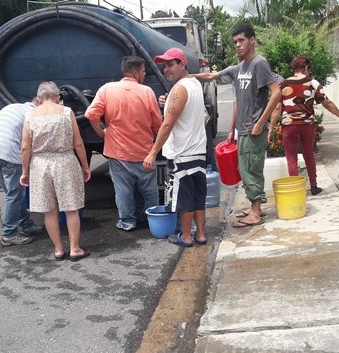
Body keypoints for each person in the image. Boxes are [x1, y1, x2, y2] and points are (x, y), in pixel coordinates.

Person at [195, 23, 282, 228]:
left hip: (254, 129)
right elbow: (213, 78)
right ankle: (253, 207)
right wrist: (187, 77)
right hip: (242, 130)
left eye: (241, 40)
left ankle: (256, 212)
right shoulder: (238, 68)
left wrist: (262, 122)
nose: (237, 45)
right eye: (235, 42)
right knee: (244, 169)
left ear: (252, 40)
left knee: (252, 170)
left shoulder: (259, 63)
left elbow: (276, 91)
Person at [85, 56, 162, 231]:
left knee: (123, 191)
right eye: (143, 72)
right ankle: (151, 219)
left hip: (117, 152)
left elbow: (91, 115)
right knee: (149, 190)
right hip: (144, 152)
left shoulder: (107, 90)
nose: (144, 75)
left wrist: (102, 133)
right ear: (135, 73)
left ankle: (127, 222)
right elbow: (157, 123)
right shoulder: (147, 92)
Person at [20, 82, 91, 261]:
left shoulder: (30, 116)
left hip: (40, 165)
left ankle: (58, 249)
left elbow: (25, 147)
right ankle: (75, 248)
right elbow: (78, 143)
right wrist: (85, 166)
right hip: (65, 162)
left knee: (49, 211)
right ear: (58, 97)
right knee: (71, 208)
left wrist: (25, 171)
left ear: (39, 99)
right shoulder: (66, 113)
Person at [143, 48, 207, 248]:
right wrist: (167, 100)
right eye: (164, 65)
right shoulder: (194, 84)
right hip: (198, 151)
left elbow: (167, 124)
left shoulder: (179, 89)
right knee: (198, 197)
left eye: (171, 64)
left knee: (185, 199)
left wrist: (153, 153)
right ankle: (201, 234)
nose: (166, 70)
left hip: (182, 154)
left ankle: (186, 236)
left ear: (183, 63)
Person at [270, 55, 339, 195]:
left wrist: (271, 128)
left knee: (291, 157)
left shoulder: (283, 84)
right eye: (310, 70)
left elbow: (277, 108)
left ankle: (296, 190)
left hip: (288, 125)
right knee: (309, 154)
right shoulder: (313, 83)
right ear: (306, 68)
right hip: (307, 125)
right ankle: (314, 186)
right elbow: (327, 103)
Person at [0, 100, 44, 246]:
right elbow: (30, 144)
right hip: (9, 155)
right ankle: (9, 234)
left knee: (13, 194)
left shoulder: (14, 107)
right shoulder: (32, 113)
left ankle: (26, 224)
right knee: (15, 195)